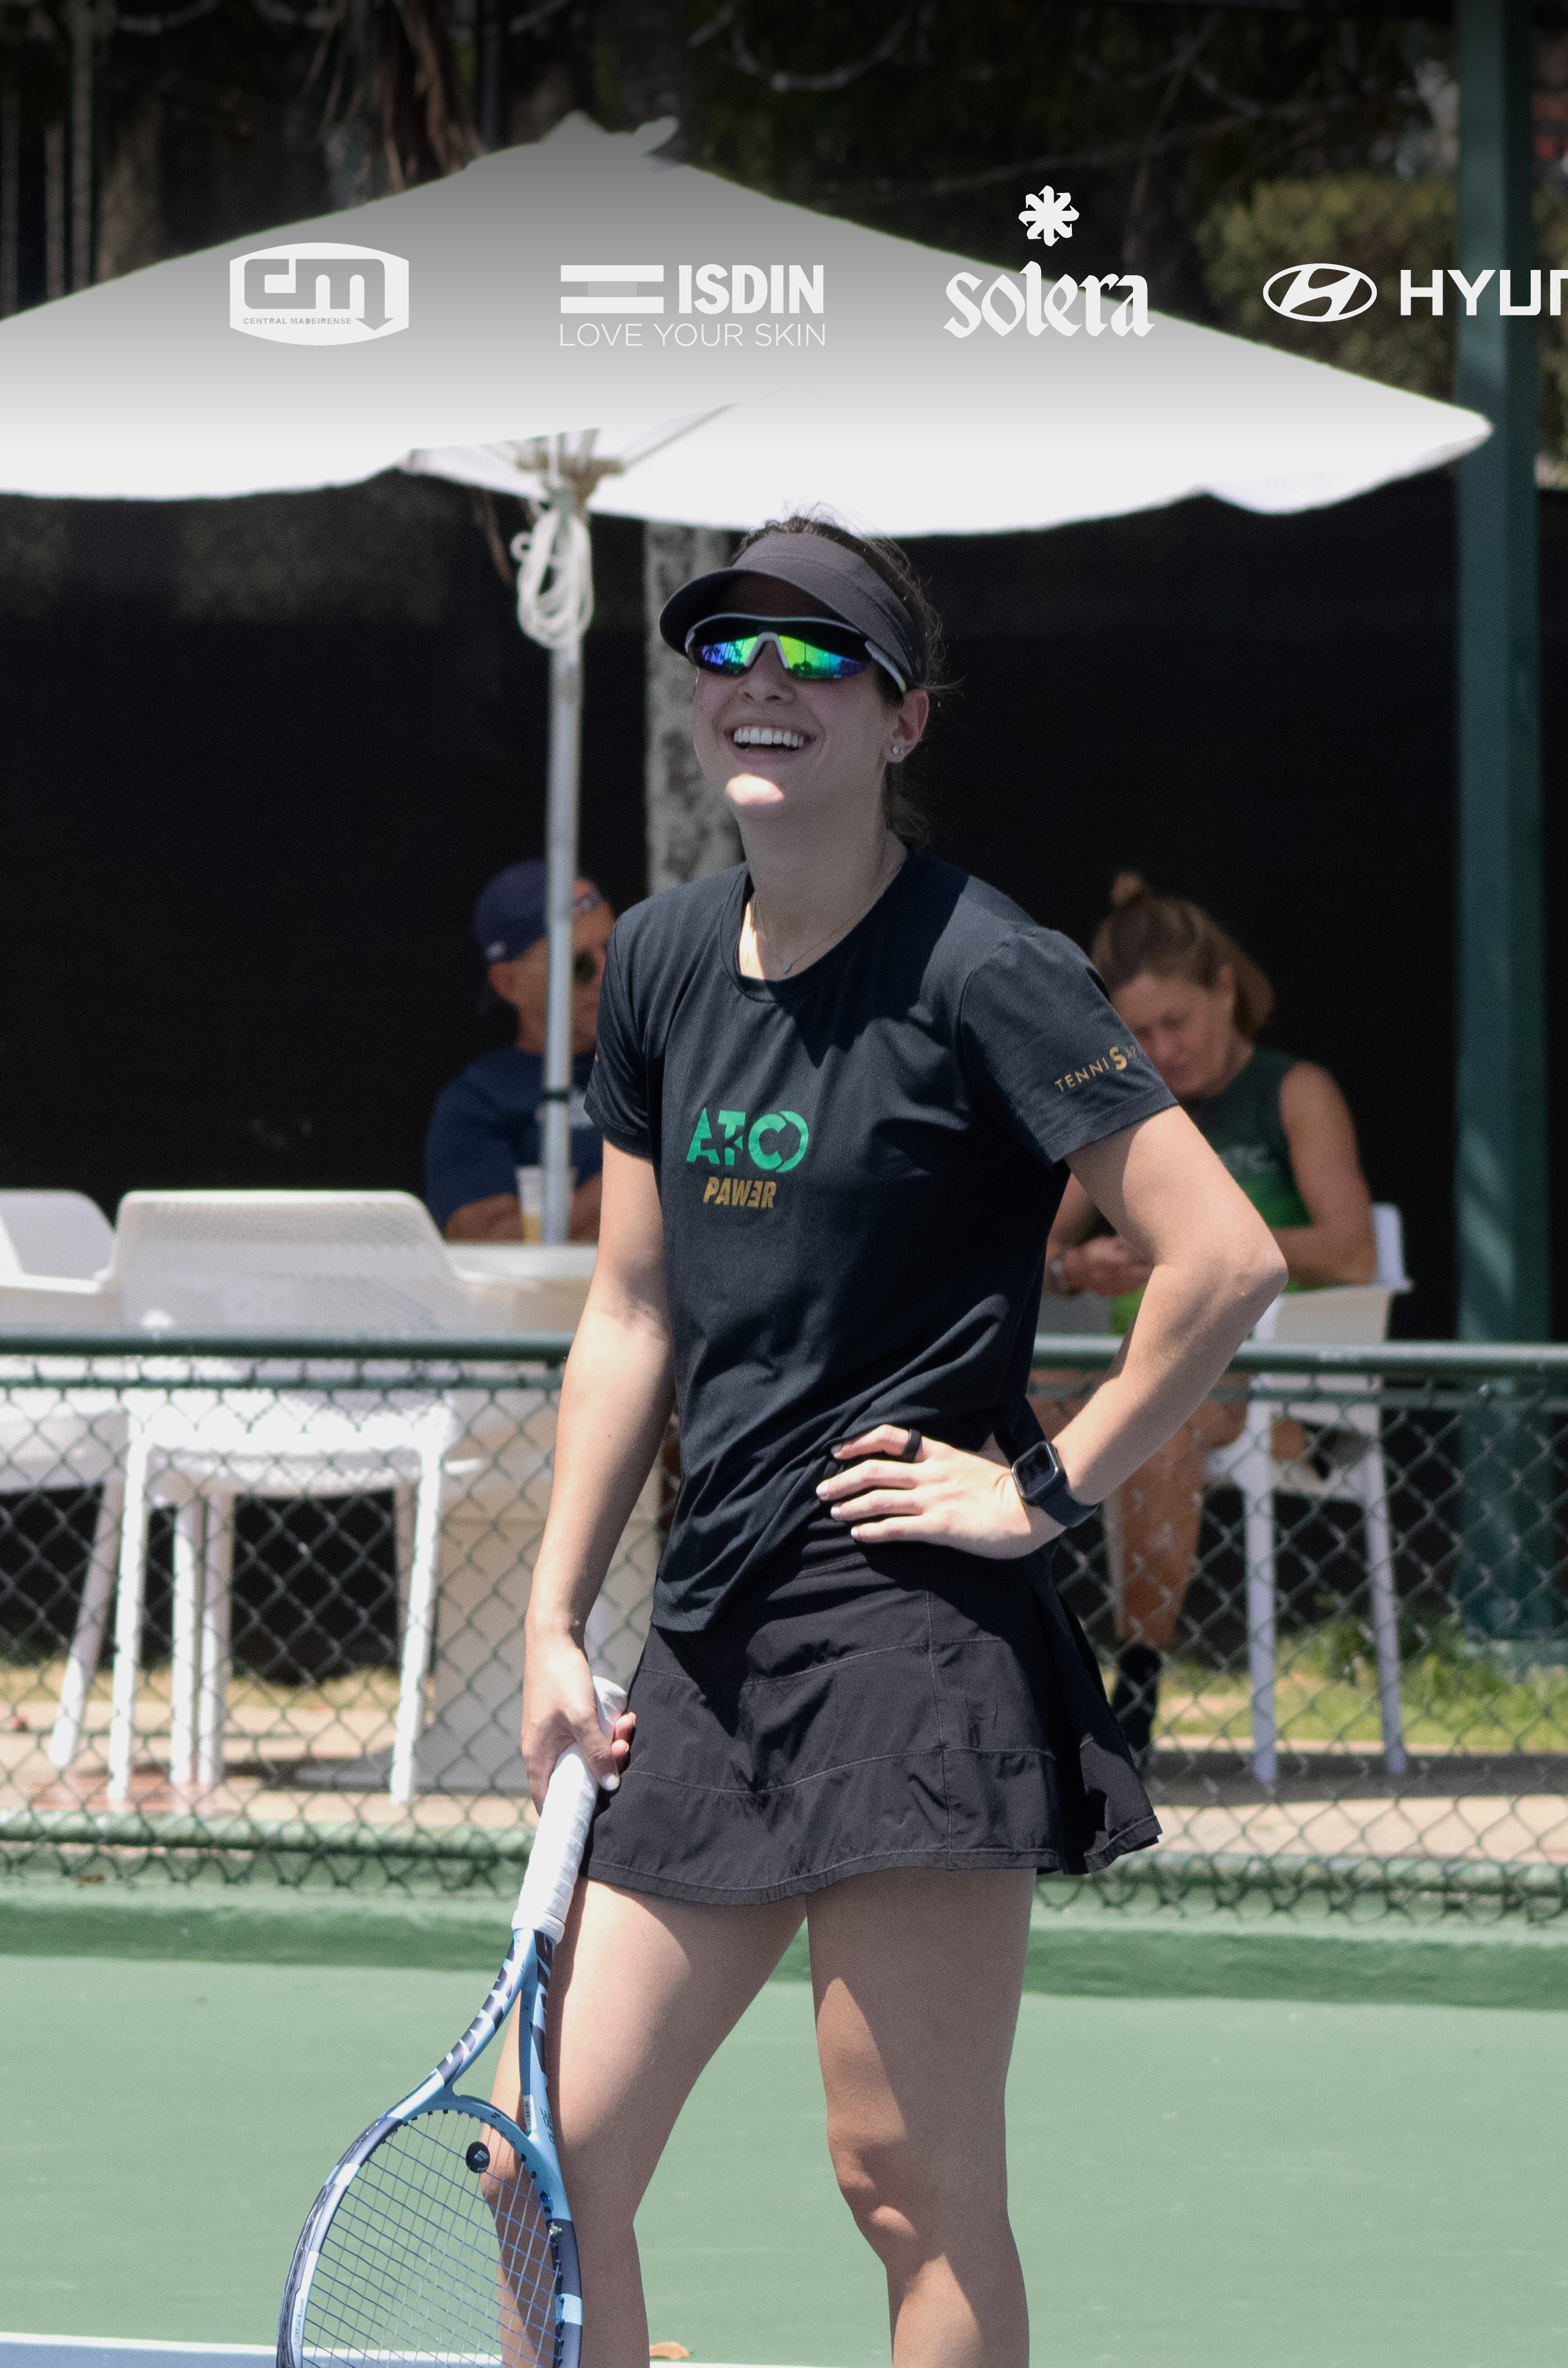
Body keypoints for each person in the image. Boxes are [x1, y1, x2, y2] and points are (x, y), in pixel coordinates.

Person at [508, 516, 1284, 2368]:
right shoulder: (672, 959)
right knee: (539, 2161)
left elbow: (1222, 1253)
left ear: (900, 719)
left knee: (901, 2181)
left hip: (915, 1638)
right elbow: (629, 1309)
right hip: (709, 1637)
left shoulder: (986, 968)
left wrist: (1039, 1481)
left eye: (815, 661)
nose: (759, 688)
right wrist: (551, 1618)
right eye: (728, 654)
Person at [1044, 877, 1378, 1762]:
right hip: (1127, 1361)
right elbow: (1039, 1247)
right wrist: (1076, 1266)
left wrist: (1204, 1244)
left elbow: (1352, 1253)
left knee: (1161, 1419)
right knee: (1007, 1404)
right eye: (1139, 1036)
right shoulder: (1125, 1106)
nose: (1161, 1050)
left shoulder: (1293, 1090)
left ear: (1227, 989)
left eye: (1176, 1025)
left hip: (1269, 1383)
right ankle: (1022, 1667)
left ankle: (1139, 1691)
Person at [425, 858, 612, 1241]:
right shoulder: (476, 1102)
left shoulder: (671, 1065)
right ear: (510, 984)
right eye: (579, 966)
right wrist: (647, 1163)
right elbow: (492, 1252)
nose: (606, 974)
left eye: (616, 948)